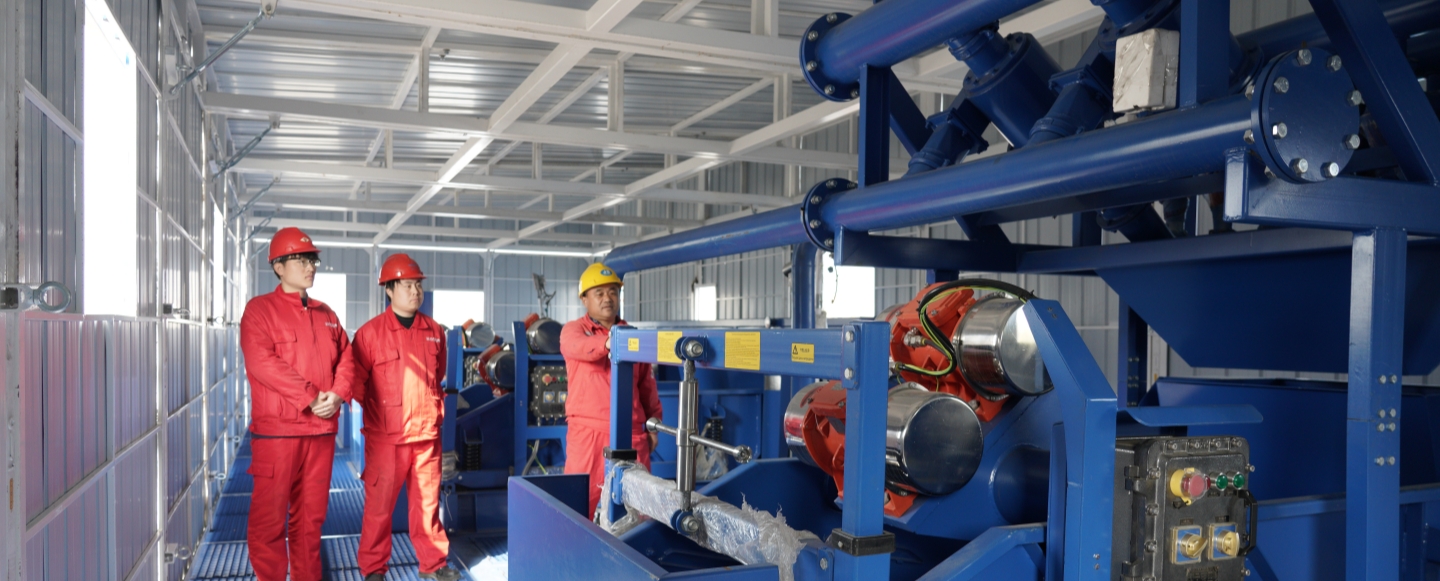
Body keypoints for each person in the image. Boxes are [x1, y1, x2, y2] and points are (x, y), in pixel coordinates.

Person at [239, 227, 354, 581]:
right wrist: (311, 397)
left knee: (310, 522)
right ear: (278, 267)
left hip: (320, 433)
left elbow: (347, 358)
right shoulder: (259, 311)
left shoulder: (326, 314)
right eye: (301, 260)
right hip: (279, 434)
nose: (310, 267)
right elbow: (262, 363)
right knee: (269, 521)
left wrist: (338, 393)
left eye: (312, 260)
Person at [341, 254, 460, 581]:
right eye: (407, 285)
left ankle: (433, 564)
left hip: (426, 436)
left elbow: (437, 375)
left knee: (427, 506)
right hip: (386, 439)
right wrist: (385, 411)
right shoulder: (369, 334)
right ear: (389, 290)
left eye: (418, 285)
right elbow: (357, 383)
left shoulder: (434, 331)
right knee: (379, 509)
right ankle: (373, 569)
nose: (415, 292)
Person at [561, 262, 663, 516]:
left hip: (631, 434)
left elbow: (646, 386)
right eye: (599, 293)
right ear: (584, 299)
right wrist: (610, 342)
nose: (607, 298)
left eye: (613, 292)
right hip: (588, 434)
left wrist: (653, 425)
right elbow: (577, 347)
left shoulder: (634, 337)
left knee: (639, 511)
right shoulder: (574, 330)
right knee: (577, 505)